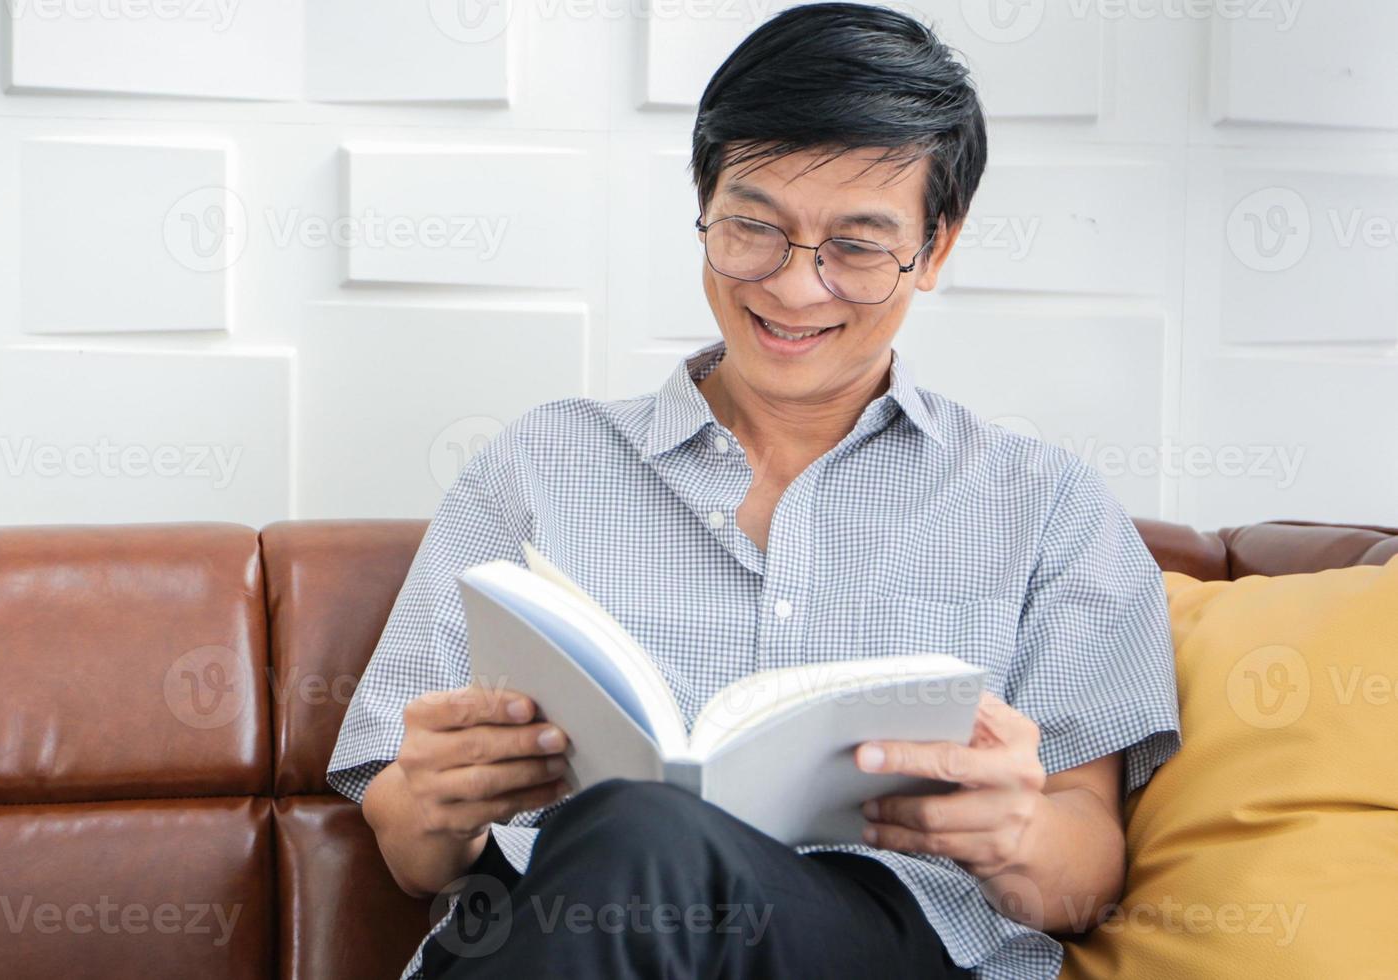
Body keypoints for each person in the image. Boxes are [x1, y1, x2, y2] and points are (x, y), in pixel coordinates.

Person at [328, 4, 1181, 977]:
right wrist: (432, 803)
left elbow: (1078, 880)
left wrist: (1015, 828)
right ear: (702, 204)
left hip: (877, 940)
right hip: (560, 920)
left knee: (646, 834)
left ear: (935, 247)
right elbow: (407, 848)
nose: (792, 287)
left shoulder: (1043, 503)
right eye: (752, 227)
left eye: (855, 247)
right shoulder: (536, 466)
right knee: (628, 842)